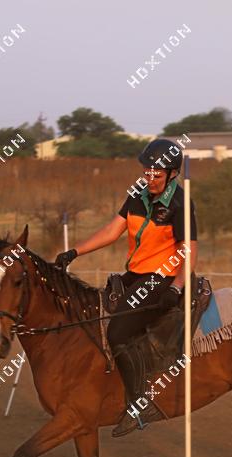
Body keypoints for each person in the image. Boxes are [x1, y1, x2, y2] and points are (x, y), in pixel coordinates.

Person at [55, 139, 198, 437]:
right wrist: (74, 252)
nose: (150, 178)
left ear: (172, 174)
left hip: (162, 278)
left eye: (157, 174)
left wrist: (177, 286)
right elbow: (112, 231)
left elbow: (189, 250)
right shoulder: (136, 195)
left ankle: (139, 405)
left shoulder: (180, 204)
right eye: (147, 172)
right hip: (135, 274)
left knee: (117, 332)